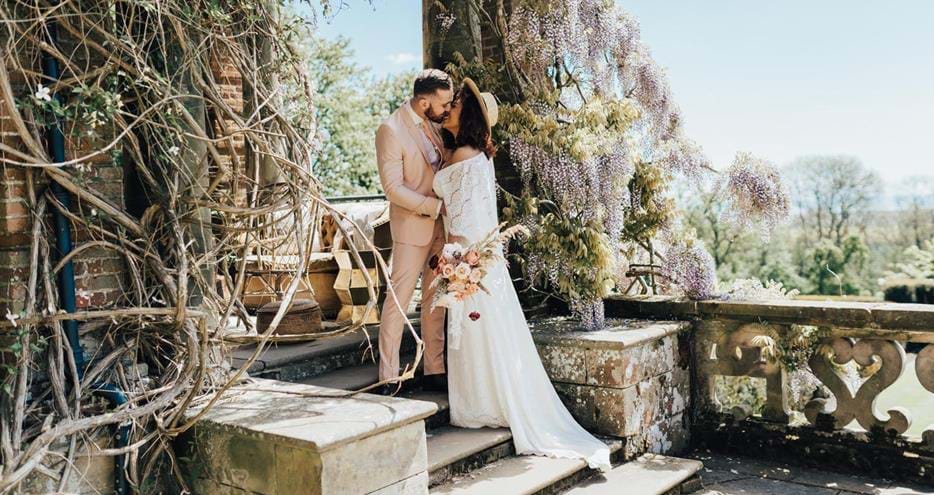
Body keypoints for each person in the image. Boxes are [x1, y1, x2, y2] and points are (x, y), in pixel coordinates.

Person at [431, 77, 611, 472]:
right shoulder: (477, 155)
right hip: (478, 255)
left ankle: (481, 405)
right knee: (489, 330)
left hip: (468, 253)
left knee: (480, 329)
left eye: (456, 103)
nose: (450, 108)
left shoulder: (463, 155)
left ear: (469, 113)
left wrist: (456, 256)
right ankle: (487, 403)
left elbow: (462, 215)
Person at [374, 69, 455, 392]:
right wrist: (433, 207)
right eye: (443, 103)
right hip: (412, 227)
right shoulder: (390, 130)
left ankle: (435, 368)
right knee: (399, 301)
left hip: (441, 228)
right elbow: (392, 189)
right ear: (423, 103)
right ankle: (389, 376)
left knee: (436, 299)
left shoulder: (437, 124)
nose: (448, 109)